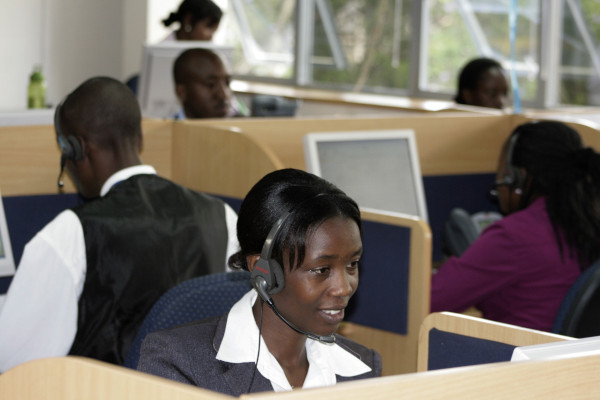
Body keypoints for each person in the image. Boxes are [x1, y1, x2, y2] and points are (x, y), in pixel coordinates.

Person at [0, 76, 238, 372]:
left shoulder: (73, 232)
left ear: (77, 149)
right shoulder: (221, 215)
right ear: (139, 137)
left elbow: (14, 364)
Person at [137, 168, 382, 395]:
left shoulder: (363, 368)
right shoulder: (178, 364)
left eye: (352, 264)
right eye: (321, 269)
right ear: (264, 272)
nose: (344, 287)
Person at [431, 120, 600, 331]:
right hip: (575, 359)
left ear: (517, 176)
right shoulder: (589, 220)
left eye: (502, 172)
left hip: (517, 359)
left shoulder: (515, 236)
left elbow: (429, 301)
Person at [173, 48, 247, 119]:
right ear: (181, 92)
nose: (223, 95)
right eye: (211, 85)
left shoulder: (240, 126)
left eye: (227, 83)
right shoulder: (166, 131)